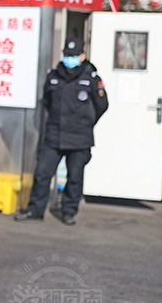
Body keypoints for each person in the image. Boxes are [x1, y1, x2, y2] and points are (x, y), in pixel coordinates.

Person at [16, 36, 109, 226]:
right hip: (54, 135)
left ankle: (69, 211)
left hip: (79, 137)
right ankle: (35, 210)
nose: (70, 58)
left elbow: (102, 105)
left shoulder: (91, 78)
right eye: (67, 55)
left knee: (74, 177)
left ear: (82, 56)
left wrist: (86, 123)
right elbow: (47, 102)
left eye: (74, 55)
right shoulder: (53, 76)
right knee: (42, 173)